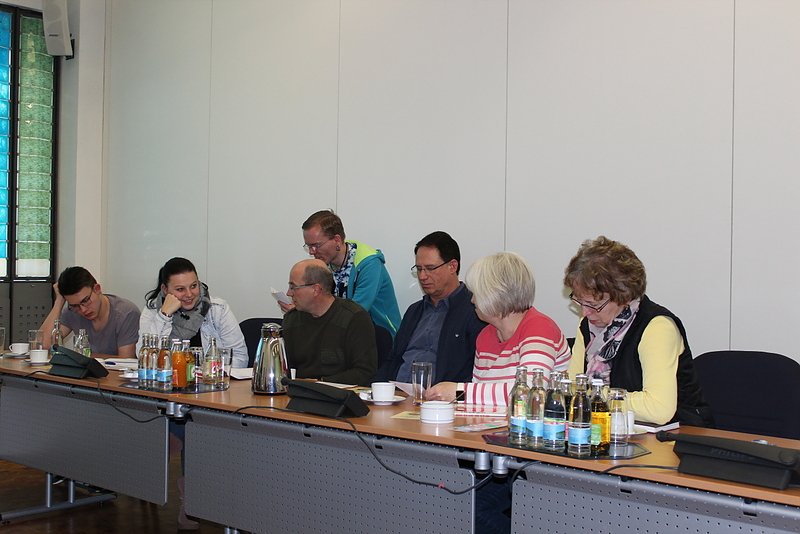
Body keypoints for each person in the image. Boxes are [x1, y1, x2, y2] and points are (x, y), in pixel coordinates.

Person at [564, 236, 713, 427]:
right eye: (580, 302)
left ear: (623, 295)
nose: (585, 312)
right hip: (614, 430)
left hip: (677, 435)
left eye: (593, 304)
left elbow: (658, 409)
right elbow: (572, 388)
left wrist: (596, 396)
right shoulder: (588, 325)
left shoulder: (657, 327)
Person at [425, 252, 571, 405]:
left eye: (476, 293)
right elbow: (481, 400)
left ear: (495, 294)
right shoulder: (485, 336)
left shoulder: (540, 328)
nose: (472, 300)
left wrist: (459, 392)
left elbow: (527, 395)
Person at [374, 231, 485, 383]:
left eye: (430, 268)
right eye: (419, 269)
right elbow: (392, 360)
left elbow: (476, 370)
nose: (422, 276)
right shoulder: (414, 311)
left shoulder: (475, 310)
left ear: (452, 266)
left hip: (442, 395)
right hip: (397, 392)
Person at [281, 209, 401, 338]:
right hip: (342, 334)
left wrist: (303, 313)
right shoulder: (324, 263)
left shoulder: (369, 265)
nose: (311, 252)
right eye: (308, 246)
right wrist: (300, 309)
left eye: (316, 245)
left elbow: (356, 313)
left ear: (337, 240)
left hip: (379, 337)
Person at [282, 259, 377, 386]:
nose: (289, 293)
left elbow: (364, 372)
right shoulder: (291, 319)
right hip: (298, 392)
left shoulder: (354, 318)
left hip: (340, 393)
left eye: (293, 287)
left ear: (316, 289)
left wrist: (319, 384)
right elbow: (284, 369)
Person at [138, 257, 247, 368]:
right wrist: (164, 316)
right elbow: (144, 358)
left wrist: (204, 372)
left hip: (209, 378)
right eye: (180, 289)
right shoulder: (152, 310)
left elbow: (240, 358)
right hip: (167, 378)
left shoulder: (218, 309)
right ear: (165, 289)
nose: (189, 294)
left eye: (193, 286)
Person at [40, 266, 140, 357]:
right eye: (75, 305)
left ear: (97, 289)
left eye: (86, 300)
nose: (83, 310)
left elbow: (125, 362)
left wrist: (85, 358)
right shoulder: (73, 311)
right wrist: (59, 301)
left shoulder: (126, 313)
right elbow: (44, 346)